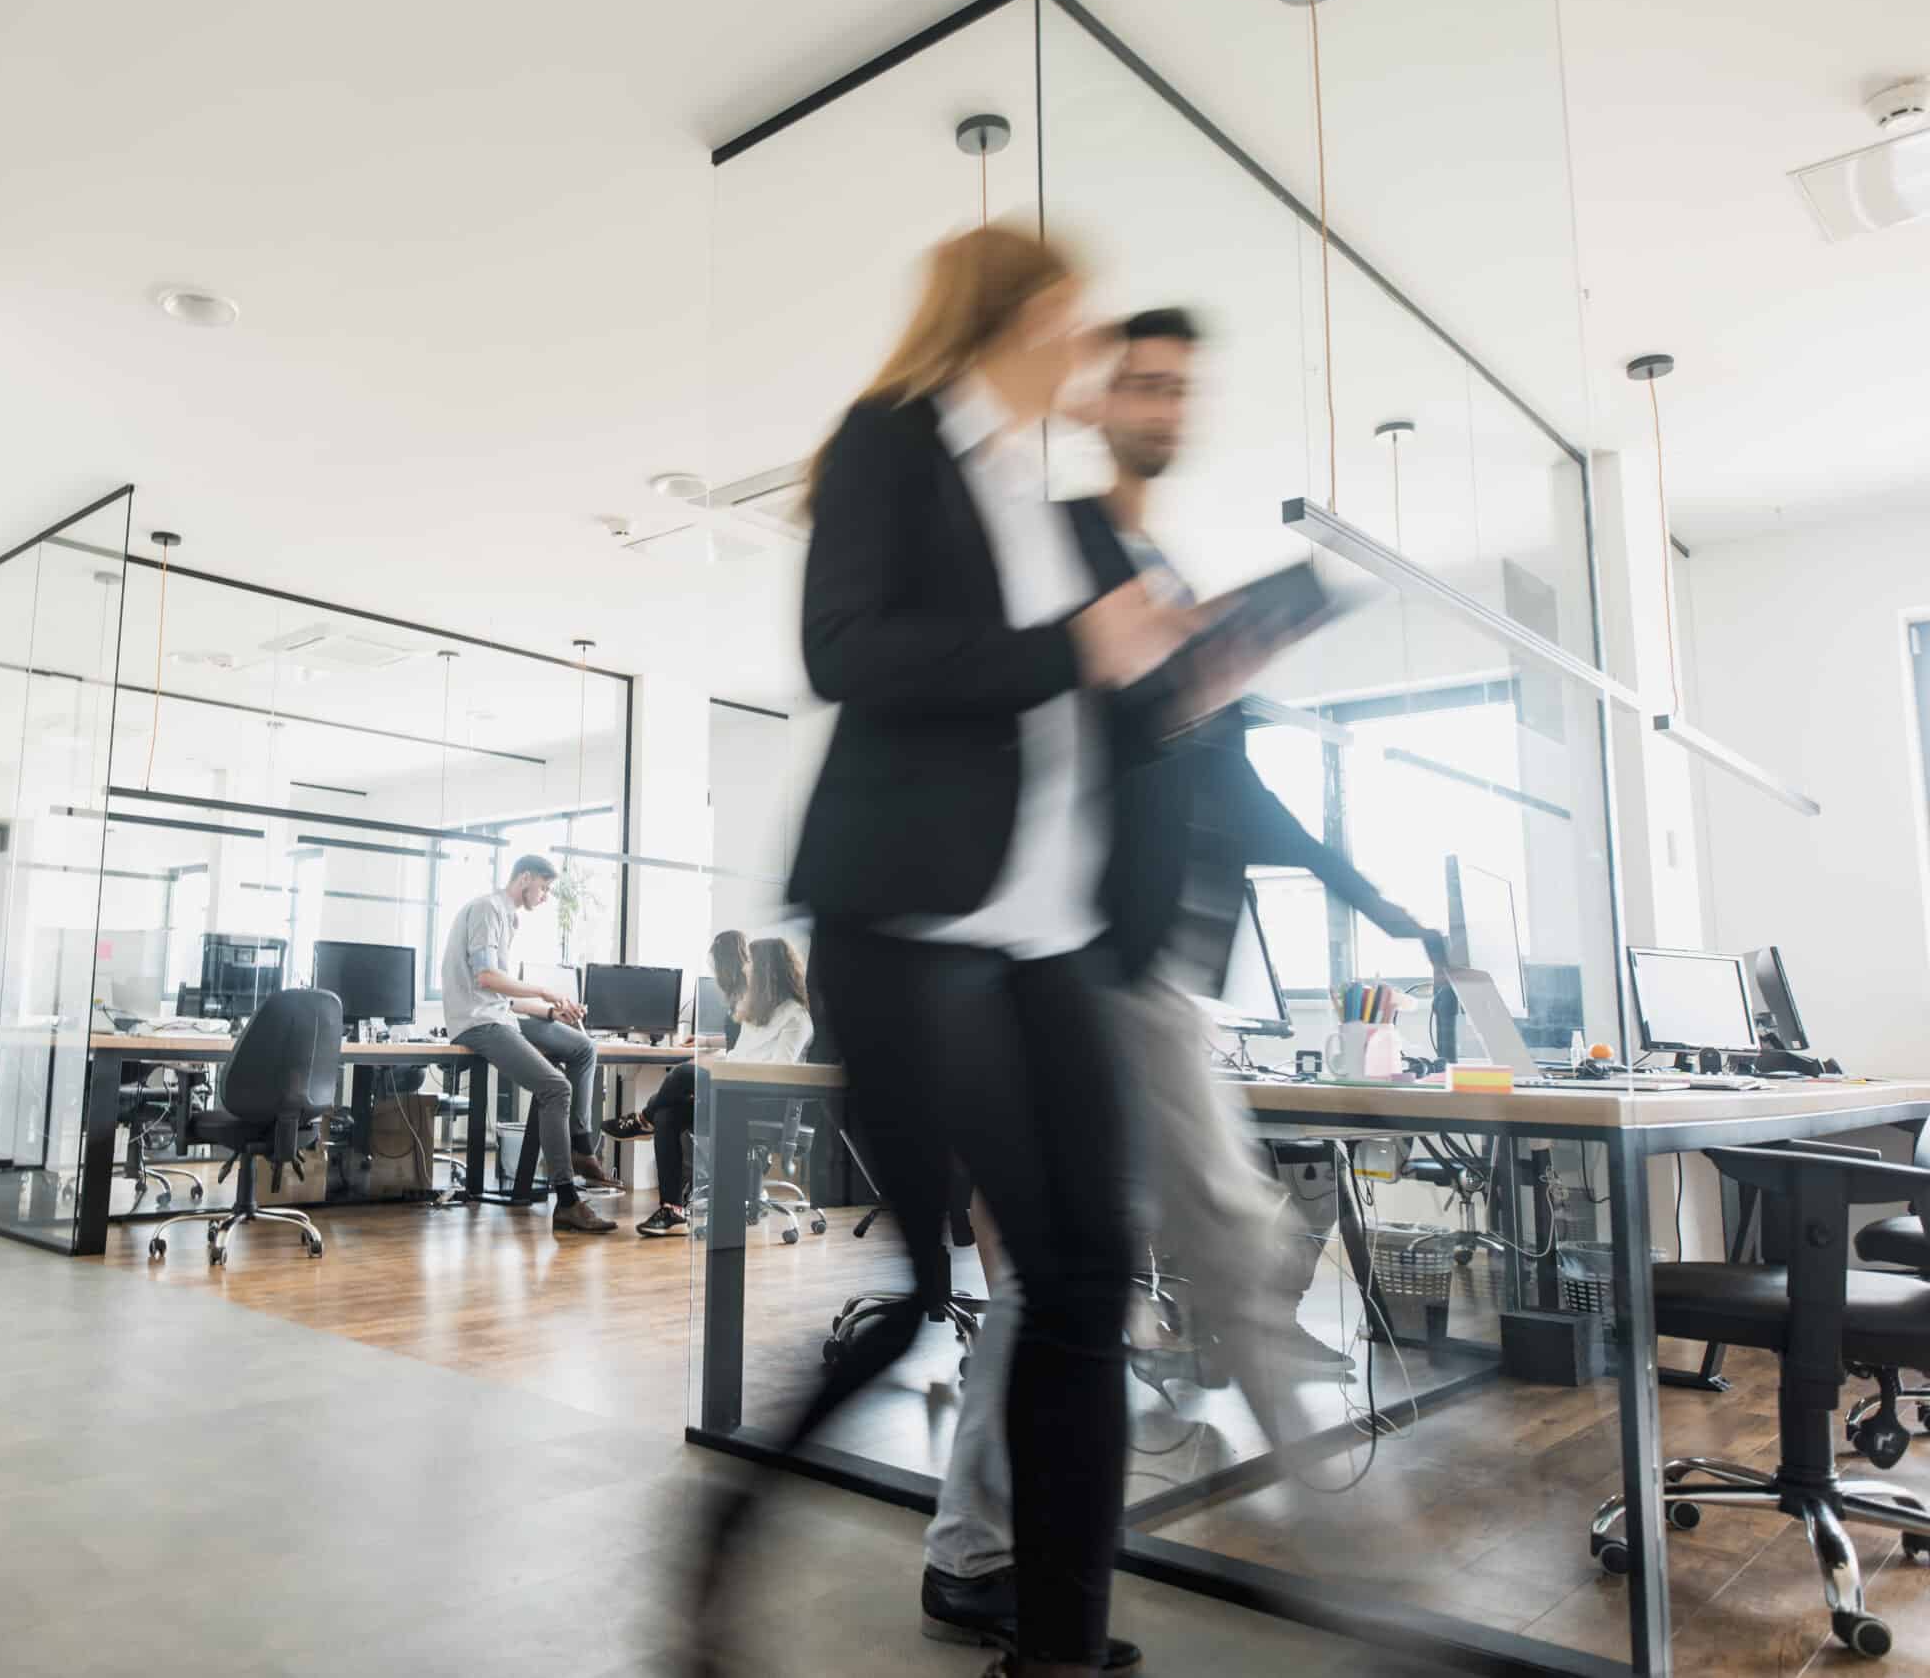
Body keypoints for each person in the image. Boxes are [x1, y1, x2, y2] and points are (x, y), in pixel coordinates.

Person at [686, 223, 1198, 1678]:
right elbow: (845, 651)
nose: (1088, 353)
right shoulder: (889, 443)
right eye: (1073, 321)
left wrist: (1171, 672)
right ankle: (726, 1523)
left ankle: (1058, 1647)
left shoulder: (1036, 497)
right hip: (909, 925)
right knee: (923, 1288)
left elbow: (1066, 714)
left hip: (1047, 938)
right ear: (1015, 315)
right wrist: (1072, 650)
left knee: (1088, 1277)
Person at [917, 307, 1450, 1655]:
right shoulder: (1081, 547)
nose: (1162, 402)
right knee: (1222, 1234)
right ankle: (1362, 1569)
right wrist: (1206, 651)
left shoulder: (1150, 562)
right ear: (1100, 401)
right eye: (1140, 382)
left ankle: (975, 1542)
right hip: (1093, 960)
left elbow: (1245, 792)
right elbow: (1074, 726)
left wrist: (1379, 902)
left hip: (1148, 969)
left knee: (1085, 1268)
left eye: (1178, 386)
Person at [439, 854, 619, 1233]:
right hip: (477, 1023)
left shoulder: (507, 917)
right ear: (525, 879)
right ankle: (567, 1200)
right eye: (545, 887)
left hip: (498, 1014)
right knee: (556, 1087)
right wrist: (544, 991)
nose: (546, 895)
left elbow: (502, 996)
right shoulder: (488, 909)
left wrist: (550, 1011)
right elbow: (487, 979)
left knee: (583, 1048)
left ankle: (581, 1147)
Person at [621, 934, 808, 1238]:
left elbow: (778, 1074)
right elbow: (740, 1055)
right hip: (733, 1094)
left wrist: (715, 1072)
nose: (747, 972)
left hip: (759, 1103)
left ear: (771, 972)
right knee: (668, 1116)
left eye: (754, 967)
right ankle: (673, 1211)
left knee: (683, 1074)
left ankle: (642, 1120)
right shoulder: (758, 1013)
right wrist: (717, 1068)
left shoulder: (796, 1017)